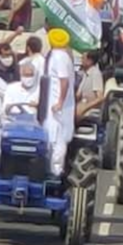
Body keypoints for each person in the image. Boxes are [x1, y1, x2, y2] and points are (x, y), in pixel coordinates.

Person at [44, 28, 77, 179]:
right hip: (53, 102)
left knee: (58, 138)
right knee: (52, 136)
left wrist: (59, 102)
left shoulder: (60, 57)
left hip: (59, 105)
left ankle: (56, 171)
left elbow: (64, 81)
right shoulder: (58, 55)